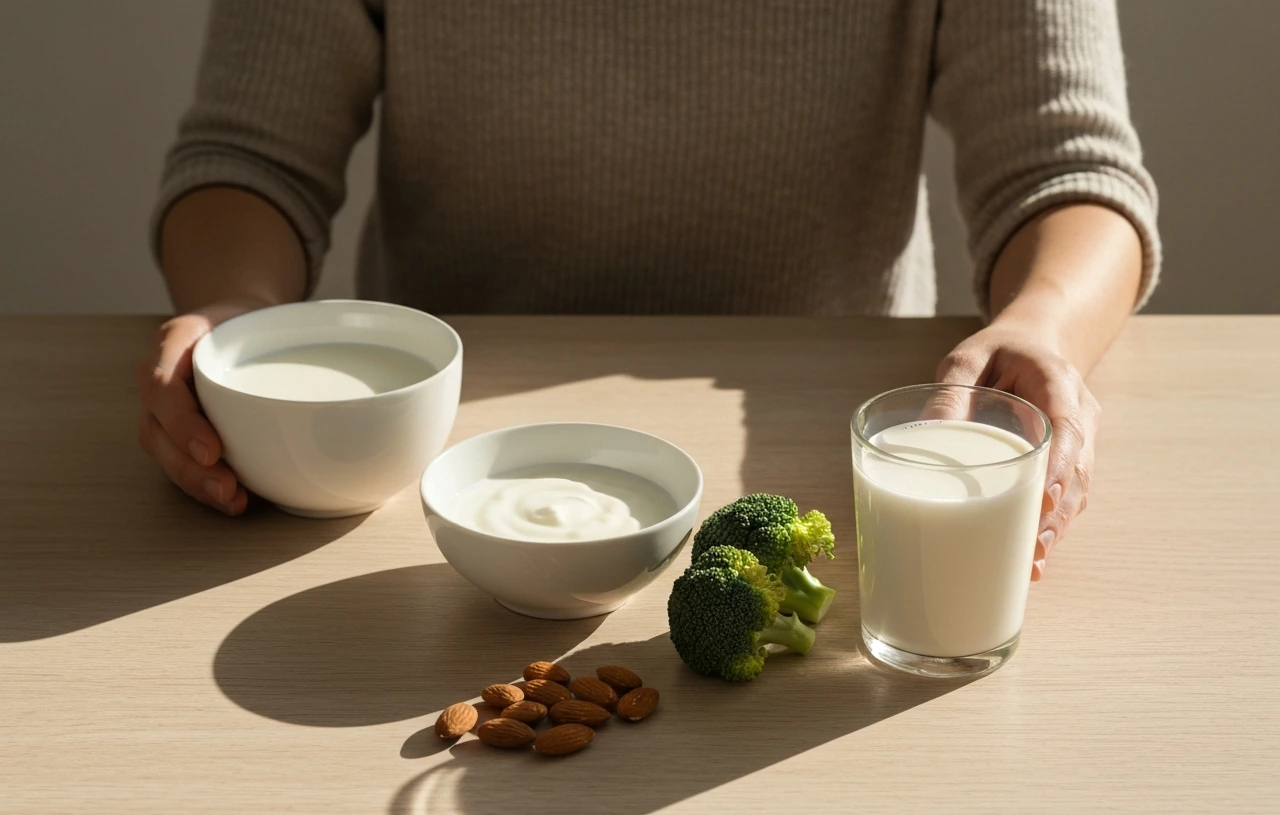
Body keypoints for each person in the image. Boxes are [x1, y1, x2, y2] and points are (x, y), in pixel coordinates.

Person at [138, 1, 1159, 581]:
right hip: (420, 491)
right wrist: (236, 311)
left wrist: (1042, 325)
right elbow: (252, 154)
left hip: (846, 468)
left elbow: (1067, 170)